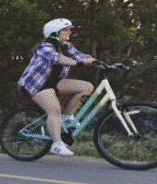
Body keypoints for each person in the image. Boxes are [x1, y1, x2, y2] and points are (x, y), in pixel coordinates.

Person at [17, 18, 99, 157]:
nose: (69, 32)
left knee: (87, 87)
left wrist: (104, 64)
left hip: (54, 83)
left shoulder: (67, 46)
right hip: (36, 85)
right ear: (55, 33)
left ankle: (67, 116)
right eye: (66, 29)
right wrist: (78, 63)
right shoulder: (44, 47)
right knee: (54, 109)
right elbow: (59, 59)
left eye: (69, 29)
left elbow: (83, 57)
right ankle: (57, 144)